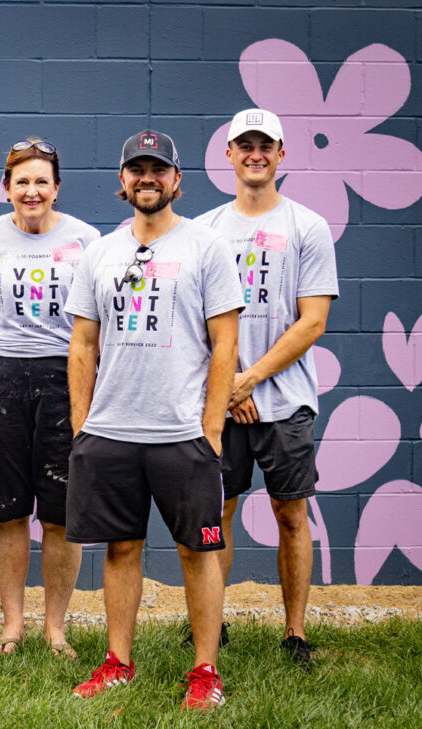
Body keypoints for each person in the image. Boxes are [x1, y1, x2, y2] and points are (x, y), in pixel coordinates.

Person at [64, 131, 242, 710]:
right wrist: (81, 425)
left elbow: (225, 345)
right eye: (136, 169)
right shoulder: (100, 252)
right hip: (112, 432)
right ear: (122, 180)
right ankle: (119, 662)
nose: (147, 178)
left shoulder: (207, 247)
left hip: (182, 434)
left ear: (176, 179)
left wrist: (211, 429)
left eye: (158, 169)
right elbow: (82, 345)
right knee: (121, 549)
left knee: (199, 551)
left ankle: (205, 670)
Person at [195, 108, 338, 671]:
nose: (255, 154)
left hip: (285, 402)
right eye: (244, 145)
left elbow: (312, 322)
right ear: (228, 155)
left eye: (266, 145)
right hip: (219, 402)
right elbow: (193, 320)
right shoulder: (204, 230)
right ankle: (212, 625)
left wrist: (248, 378)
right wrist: (227, 386)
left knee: (291, 515)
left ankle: (295, 634)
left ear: (282, 155)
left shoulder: (308, 226)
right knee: (218, 513)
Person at [0, 138, 100, 657]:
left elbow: (97, 318)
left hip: (66, 378)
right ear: (7, 188)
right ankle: (13, 625)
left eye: (42, 180)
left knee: (62, 513)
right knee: (7, 509)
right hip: (0, 379)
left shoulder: (87, 239)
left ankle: (56, 627)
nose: (32, 190)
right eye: (21, 181)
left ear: (57, 187)